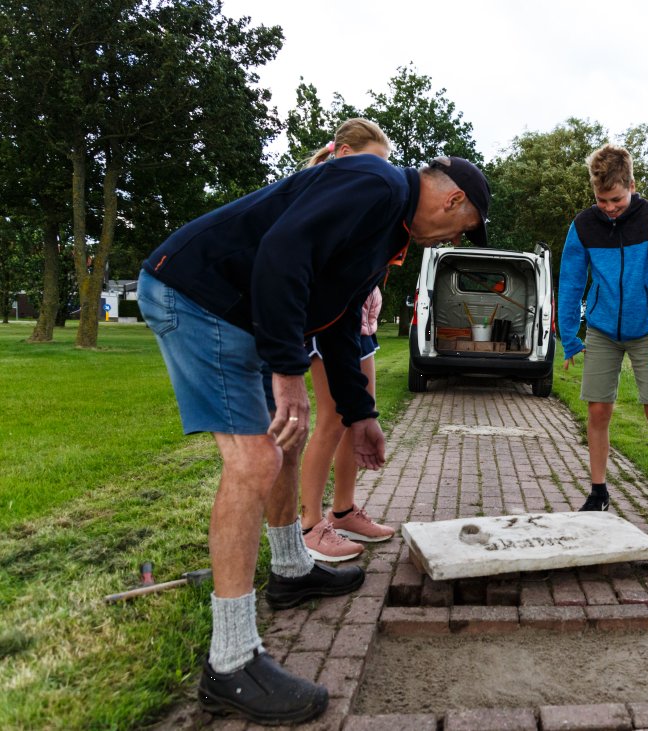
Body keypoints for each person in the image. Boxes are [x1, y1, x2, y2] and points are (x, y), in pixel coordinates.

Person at [138, 142, 490, 723]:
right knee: (255, 460)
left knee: (288, 439)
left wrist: (361, 414)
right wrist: (287, 370)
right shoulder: (376, 182)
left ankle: (291, 572)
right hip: (199, 297)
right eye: (462, 228)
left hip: (236, 310)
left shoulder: (386, 229)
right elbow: (283, 253)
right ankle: (231, 662)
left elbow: (341, 322)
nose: (451, 240)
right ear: (453, 201)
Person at [556, 143, 648, 546]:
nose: (610, 208)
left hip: (647, 328)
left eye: (616, 200)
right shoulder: (583, 225)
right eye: (602, 201)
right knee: (598, 410)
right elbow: (571, 281)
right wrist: (570, 336)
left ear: (632, 185)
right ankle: (598, 493)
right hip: (601, 328)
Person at [298, 120, 396, 562]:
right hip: (330, 324)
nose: (378, 176)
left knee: (359, 416)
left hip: (363, 328)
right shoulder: (319, 195)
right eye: (371, 163)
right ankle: (309, 525)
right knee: (333, 418)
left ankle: (343, 511)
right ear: (342, 153)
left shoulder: (364, 205)